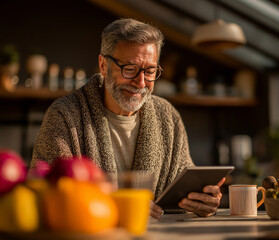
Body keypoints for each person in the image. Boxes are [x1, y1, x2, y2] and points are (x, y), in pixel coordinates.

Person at [30, 18, 225, 219]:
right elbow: (43, 192)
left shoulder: (168, 117)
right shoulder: (64, 115)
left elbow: (184, 183)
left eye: (150, 71)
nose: (141, 82)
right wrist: (116, 205)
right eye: (130, 69)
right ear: (103, 66)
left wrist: (203, 199)